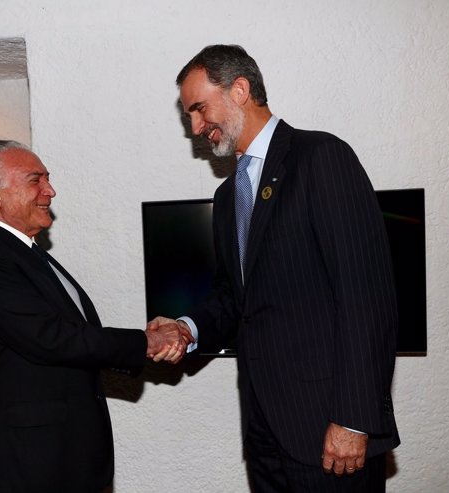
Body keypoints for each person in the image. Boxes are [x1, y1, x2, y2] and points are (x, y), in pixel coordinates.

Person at [150, 45, 400, 492]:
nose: (194, 127)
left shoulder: (320, 157)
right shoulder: (229, 198)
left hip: (329, 427)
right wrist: (187, 328)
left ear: (240, 89)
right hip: (265, 432)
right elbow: (235, 300)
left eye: (198, 108)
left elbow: (367, 296)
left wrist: (355, 419)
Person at [0, 139, 190, 493]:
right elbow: (49, 338)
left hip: (62, 456)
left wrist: (142, 341)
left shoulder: (25, 252)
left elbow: (73, 336)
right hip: (28, 464)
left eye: (47, 179)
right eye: (36, 180)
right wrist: (146, 342)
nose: (51, 190)